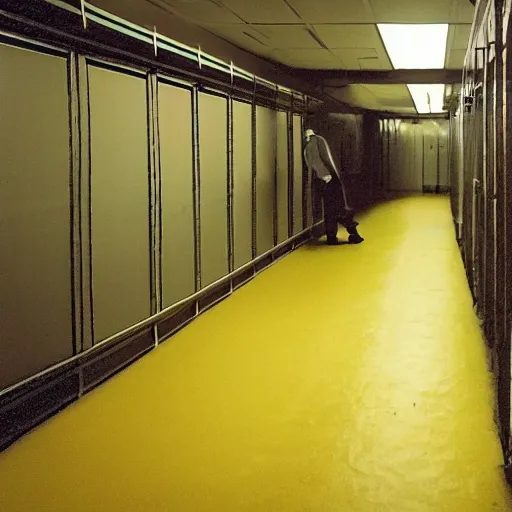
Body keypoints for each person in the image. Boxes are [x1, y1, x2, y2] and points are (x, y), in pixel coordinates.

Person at [303, 128, 364, 245]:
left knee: (331, 210)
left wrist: (323, 175)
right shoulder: (319, 140)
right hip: (329, 180)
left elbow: (315, 161)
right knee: (337, 208)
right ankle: (351, 233)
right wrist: (327, 176)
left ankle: (333, 236)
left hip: (324, 180)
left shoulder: (311, 144)